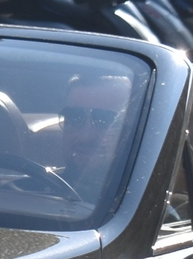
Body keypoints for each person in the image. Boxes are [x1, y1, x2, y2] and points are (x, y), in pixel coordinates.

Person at [40, 71, 134, 199]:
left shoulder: (142, 207)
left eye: (105, 121)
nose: (86, 137)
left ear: (131, 131)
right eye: (74, 117)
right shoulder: (19, 195)